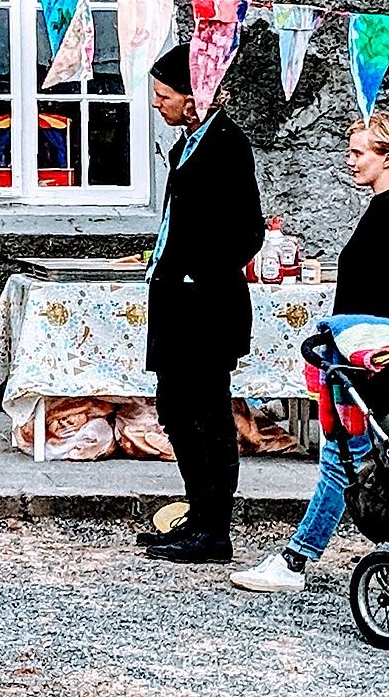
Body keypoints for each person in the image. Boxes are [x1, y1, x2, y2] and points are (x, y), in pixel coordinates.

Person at [231, 112, 389, 593]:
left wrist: (363, 348)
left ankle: (295, 559)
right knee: (383, 461)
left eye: (359, 153)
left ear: (387, 158)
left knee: (342, 458)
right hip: (374, 356)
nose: (350, 161)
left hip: (372, 359)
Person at [138, 43, 265, 565]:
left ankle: (215, 528)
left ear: (195, 98)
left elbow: (247, 231)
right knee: (173, 407)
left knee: (207, 412)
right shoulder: (187, 145)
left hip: (204, 304)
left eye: (164, 95)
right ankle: (198, 510)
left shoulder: (227, 146)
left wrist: (197, 273)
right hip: (176, 298)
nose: (156, 104)